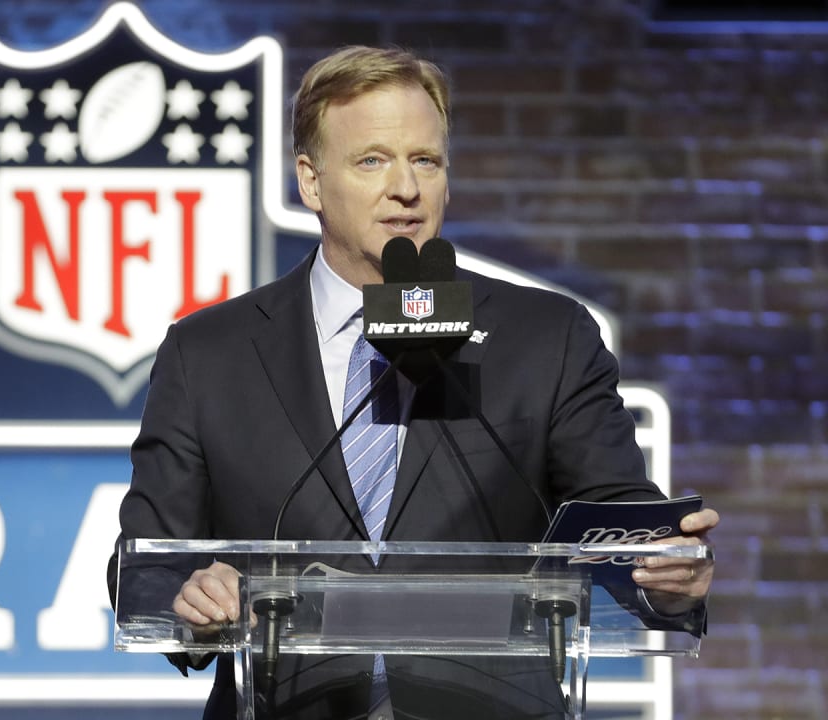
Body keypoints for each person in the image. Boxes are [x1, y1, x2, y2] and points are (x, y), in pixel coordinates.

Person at [108, 45, 718, 719]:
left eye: (424, 160)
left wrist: (668, 575)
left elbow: (623, 528)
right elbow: (144, 565)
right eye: (373, 160)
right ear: (310, 182)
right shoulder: (210, 353)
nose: (406, 187)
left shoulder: (545, 338)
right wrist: (187, 594)